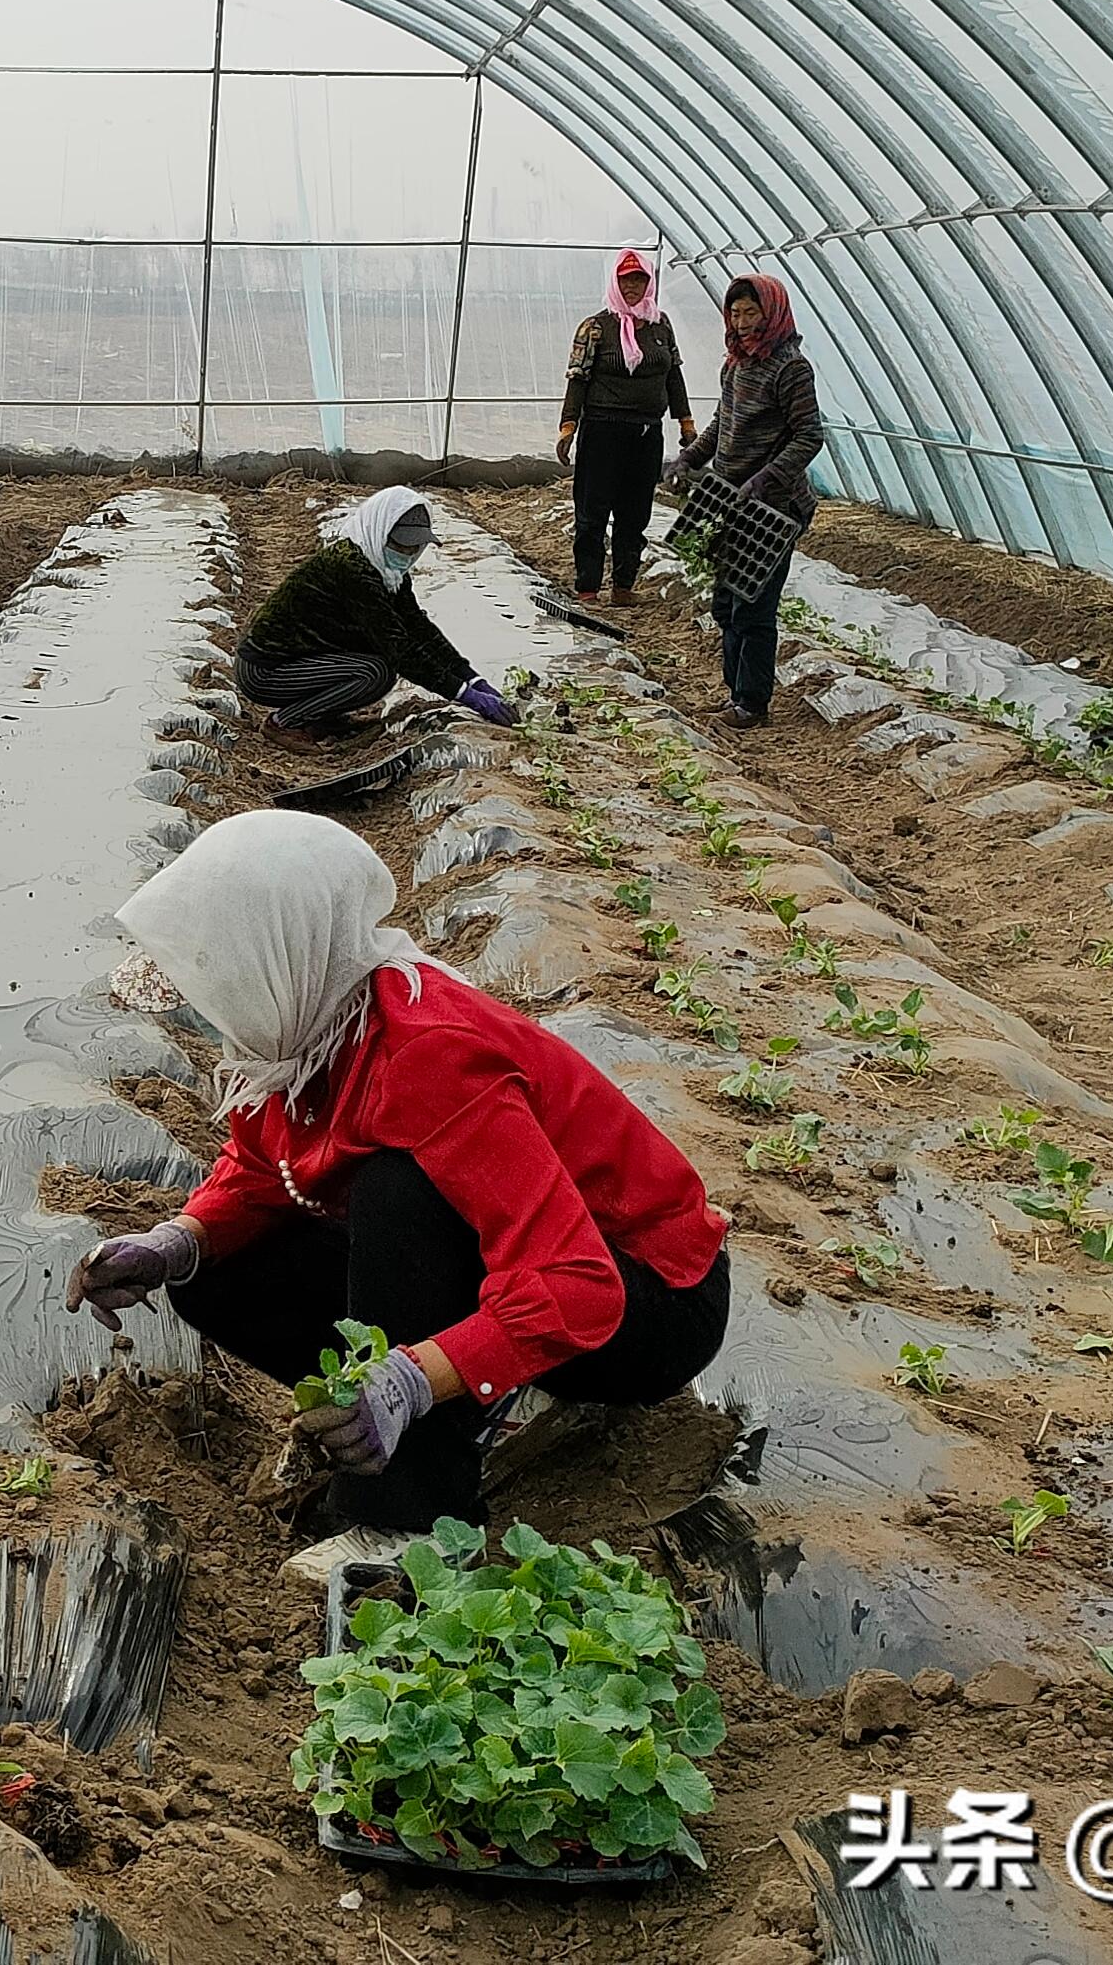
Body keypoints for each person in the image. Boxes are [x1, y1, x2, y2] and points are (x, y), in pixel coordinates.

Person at [65, 812, 732, 1556]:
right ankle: (482, 1394)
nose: (210, 1002)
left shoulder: (428, 1054)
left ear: (285, 951)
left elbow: (577, 1282)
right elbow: (263, 1165)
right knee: (212, 1274)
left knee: (396, 1192)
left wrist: (407, 1383)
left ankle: (405, 1516)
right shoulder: (313, 1026)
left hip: (649, 1300)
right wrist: (173, 1243)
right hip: (516, 1272)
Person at [667, 273, 821, 728]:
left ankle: (752, 703)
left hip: (773, 509)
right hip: (729, 502)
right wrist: (688, 459)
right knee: (724, 605)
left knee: (753, 608)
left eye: (751, 312)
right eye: (735, 313)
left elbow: (809, 435)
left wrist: (767, 477)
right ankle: (736, 692)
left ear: (771, 312)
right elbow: (723, 424)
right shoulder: (735, 363)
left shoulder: (791, 369)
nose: (742, 321)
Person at [233, 488, 513, 736]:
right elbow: (399, 648)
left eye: (414, 546)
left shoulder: (388, 571)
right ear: (380, 530)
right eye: (401, 543)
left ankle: (320, 718)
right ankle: (284, 722)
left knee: (375, 663)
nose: (407, 552)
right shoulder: (353, 570)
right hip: (266, 671)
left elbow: (417, 627)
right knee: (375, 673)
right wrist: (464, 695)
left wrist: (471, 677)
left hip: (304, 659)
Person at [556, 251, 696, 605]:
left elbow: (673, 376)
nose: (632, 286)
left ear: (649, 284)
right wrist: (567, 428)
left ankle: (623, 587)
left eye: (639, 280)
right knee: (592, 511)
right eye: (625, 280)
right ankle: (588, 586)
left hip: (646, 433)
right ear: (614, 283)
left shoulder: (660, 326)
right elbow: (578, 379)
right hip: (603, 431)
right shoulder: (596, 327)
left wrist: (686, 423)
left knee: (635, 513)